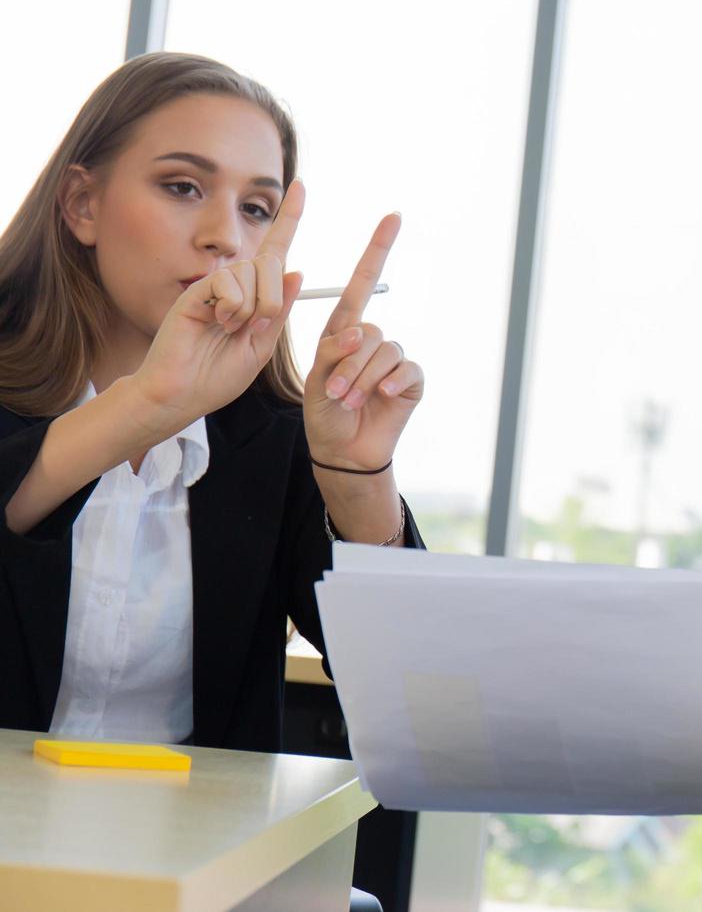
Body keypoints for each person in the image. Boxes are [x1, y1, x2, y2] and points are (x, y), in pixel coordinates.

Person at [0, 52, 425, 753]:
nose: (225, 237)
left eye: (256, 209)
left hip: (195, 859)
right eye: (183, 187)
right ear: (82, 206)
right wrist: (143, 407)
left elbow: (409, 694)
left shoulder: (281, 438)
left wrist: (359, 479)